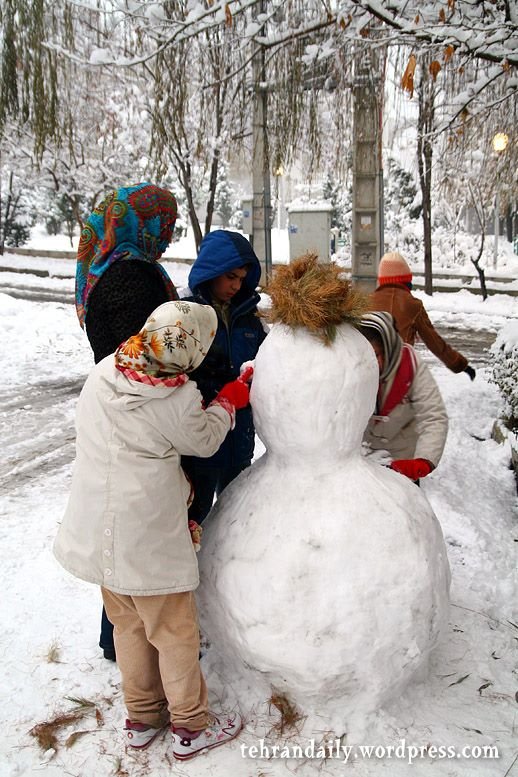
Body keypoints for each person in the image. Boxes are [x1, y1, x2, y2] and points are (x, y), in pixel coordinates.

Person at [54, 300, 246, 759]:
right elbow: (202, 439)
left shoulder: (105, 371)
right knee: (174, 631)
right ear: (193, 353)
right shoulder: (175, 398)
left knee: (129, 626)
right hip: (148, 538)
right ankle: (191, 727)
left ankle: (141, 717)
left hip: (100, 531)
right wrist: (227, 402)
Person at [75, 182, 179, 662]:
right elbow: (148, 357)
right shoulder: (134, 278)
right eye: (167, 224)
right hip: (141, 416)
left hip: (121, 411)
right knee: (142, 534)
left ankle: (120, 639)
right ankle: (142, 648)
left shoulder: (104, 271)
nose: (171, 234)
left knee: (122, 532)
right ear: (146, 221)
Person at [181, 229, 267, 523]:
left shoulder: (249, 318)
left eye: (242, 278)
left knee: (237, 522)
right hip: (201, 440)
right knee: (197, 519)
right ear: (212, 270)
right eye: (230, 276)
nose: (236, 285)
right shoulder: (187, 315)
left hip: (239, 439)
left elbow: (264, 359)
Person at [358, 311, 448, 482]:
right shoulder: (350, 368)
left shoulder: (410, 365)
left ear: (388, 350)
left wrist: (423, 460)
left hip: (402, 463)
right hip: (361, 463)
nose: (370, 362)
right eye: (364, 355)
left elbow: (433, 417)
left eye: (376, 355)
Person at [369, 252, 476, 380]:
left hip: (371, 373)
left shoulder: (365, 303)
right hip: (400, 375)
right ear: (406, 281)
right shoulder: (413, 305)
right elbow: (435, 342)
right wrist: (460, 365)